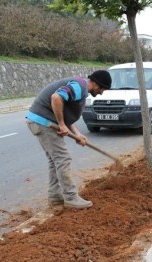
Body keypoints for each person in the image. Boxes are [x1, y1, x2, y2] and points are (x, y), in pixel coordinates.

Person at [26, 70, 112, 209]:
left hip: (39, 121)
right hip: (45, 123)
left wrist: (77, 134)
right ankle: (71, 197)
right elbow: (56, 98)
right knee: (63, 158)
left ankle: (55, 197)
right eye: (102, 89)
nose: (102, 92)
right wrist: (60, 124)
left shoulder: (80, 90)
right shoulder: (79, 86)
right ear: (95, 83)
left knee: (55, 160)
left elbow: (65, 114)